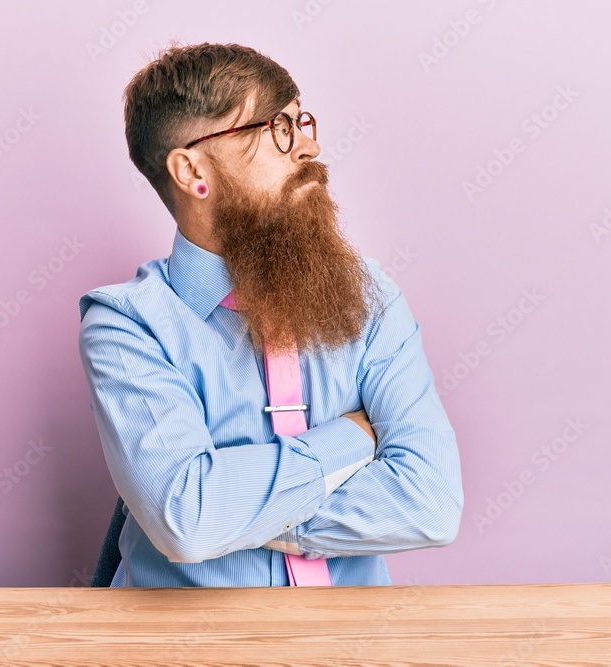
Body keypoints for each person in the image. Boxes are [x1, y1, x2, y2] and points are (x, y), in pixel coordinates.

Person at [79, 42, 463, 587]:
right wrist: (354, 439)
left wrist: (236, 511)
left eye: (301, 121)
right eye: (277, 127)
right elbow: (188, 521)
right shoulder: (125, 326)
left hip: (350, 648)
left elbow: (431, 503)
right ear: (193, 171)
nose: (309, 145)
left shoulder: (371, 294)